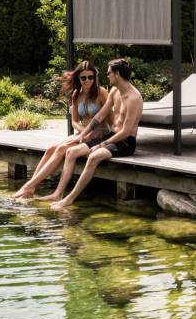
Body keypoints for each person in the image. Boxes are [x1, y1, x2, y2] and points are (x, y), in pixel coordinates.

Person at [48, 58, 143, 210]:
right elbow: (99, 116)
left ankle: (69, 199)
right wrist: (83, 135)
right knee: (72, 151)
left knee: (93, 156)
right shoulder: (115, 91)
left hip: (125, 142)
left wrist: (101, 144)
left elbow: (126, 131)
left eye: (109, 73)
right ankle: (58, 193)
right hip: (112, 137)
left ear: (117, 74)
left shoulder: (134, 98)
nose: (107, 76)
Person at [11, 60, 109, 199]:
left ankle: (30, 187)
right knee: (51, 148)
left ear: (95, 77)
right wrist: (82, 132)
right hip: (83, 133)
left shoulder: (101, 93)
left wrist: (93, 134)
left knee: (62, 149)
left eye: (90, 77)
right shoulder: (76, 94)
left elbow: (108, 117)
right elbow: (74, 121)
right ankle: (32, 185)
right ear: (78, 78)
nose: (87, 81)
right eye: (83, 77)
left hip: (99, 134)